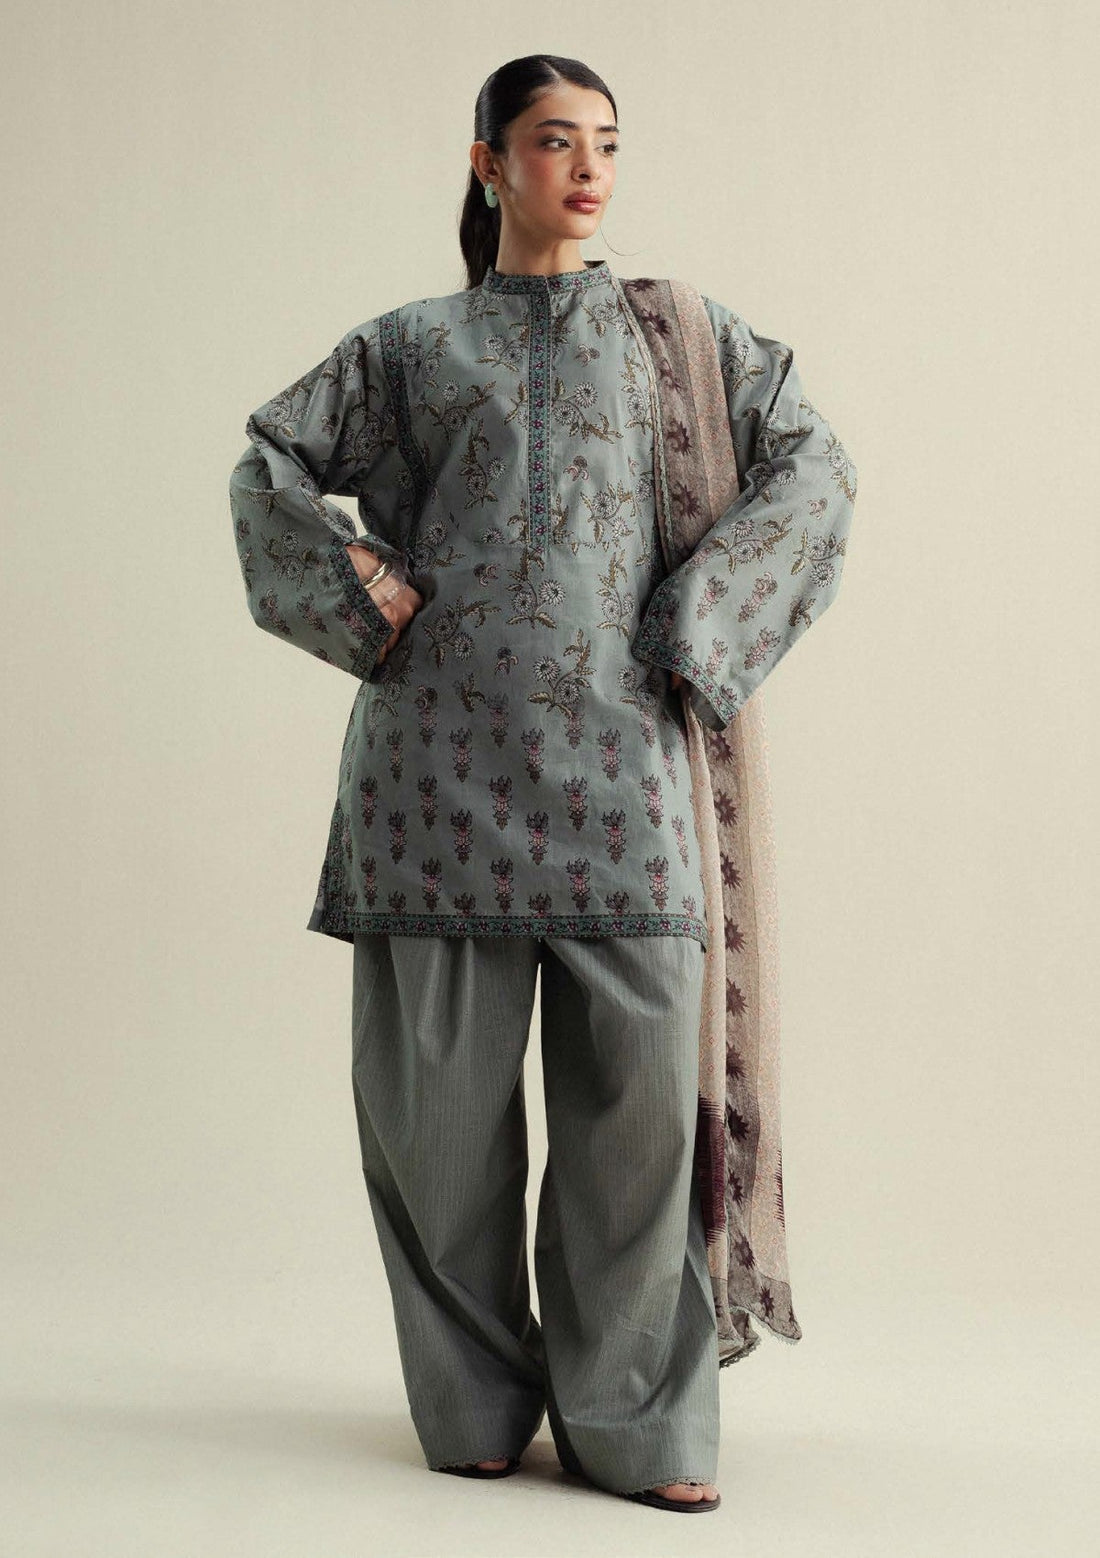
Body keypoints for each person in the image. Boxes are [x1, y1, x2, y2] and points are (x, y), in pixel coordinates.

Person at [228, 53, 857, 1515]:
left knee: (640, 1131)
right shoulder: (410, 348)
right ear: (488, 161)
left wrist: (701, 622)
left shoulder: (681, 341)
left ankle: (637, 1424)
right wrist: (360, 588)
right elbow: (268, 462)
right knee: (437, 1133)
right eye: (555, 141)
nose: (587, 170)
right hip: (431, 789)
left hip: (629, 781)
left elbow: (814, 470)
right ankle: (472, 1405)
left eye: (607, 144)